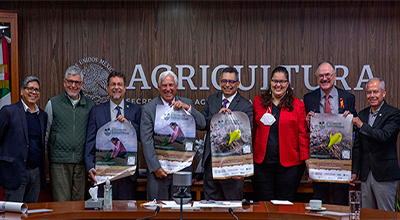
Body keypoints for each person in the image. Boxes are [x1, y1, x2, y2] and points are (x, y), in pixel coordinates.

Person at [140, 70, 205, 200]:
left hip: (182, 170)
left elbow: (202, 124)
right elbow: (146, 141)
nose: (168, 89)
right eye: (164, 85)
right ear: (158, 87)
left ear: (176, 86)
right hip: (158, 172)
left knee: (180, 211)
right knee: (158, 211)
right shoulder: (149, 108)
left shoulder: (186, 103)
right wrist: (155, 168)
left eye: (171, 85)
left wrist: (188, 109)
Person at [303, 61, 356, 205]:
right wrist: (307, 122)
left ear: (335, 76)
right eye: (321, 76)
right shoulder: (308, 98)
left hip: (340, 160)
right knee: (319, 200)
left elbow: (354, 131)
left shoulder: (348, 98)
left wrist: (350, 120)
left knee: (341, 201)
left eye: (327, 75)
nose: (324, 78)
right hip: (319, 159)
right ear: (316, 78)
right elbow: (304, 131)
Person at [252, 66, 309, 202]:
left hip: (290, 166)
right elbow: (251, 131)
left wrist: (308, 164)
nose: (278, 85)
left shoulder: (298, 105)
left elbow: (303, 136)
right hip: (261, 165)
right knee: (264, 206)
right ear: (270, 82)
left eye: (282, 81)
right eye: (275, 81)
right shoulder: (258, 102)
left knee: (285, 205)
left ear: (287, 84)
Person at [85, 71, 141, 200]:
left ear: (125, 87)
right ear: (108, 87)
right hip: (103, 173)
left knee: (126, 213)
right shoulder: (96, 111)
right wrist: (90, 166)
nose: (116, 87)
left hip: (127, 175)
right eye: (113, 84)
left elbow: (143, 137)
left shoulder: (135, 110)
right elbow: (90, 141)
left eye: (120, 84)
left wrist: (129, 125)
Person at [200, 67, 253, 201]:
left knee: (232, 207)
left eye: (231, 81)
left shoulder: (246, 106)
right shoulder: (211, 100)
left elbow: (246, 136)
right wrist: (217, 117)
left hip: (233, 166)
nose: (227, 85)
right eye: (224, 81)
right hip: (211, 165)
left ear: (238, 84)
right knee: (211, 209)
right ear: (219, 82)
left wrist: (242, 169)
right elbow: (201, 124)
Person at [349, 78, 400, 211]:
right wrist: (355, 172)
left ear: (383, 93)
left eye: (375, 92)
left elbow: (384, 136)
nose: (372, 96)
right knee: (367, 214)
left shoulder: (393, 113)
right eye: (369, 92)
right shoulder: (363, 114)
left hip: (384, 174)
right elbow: (358, 146)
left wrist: (362, 126)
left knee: (385, 214)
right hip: (366, 175)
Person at [45, 66, 94, 202]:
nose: (73, 85)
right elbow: (46, 133)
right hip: (59, 163)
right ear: (64, 82)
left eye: (77, 82)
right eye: (70, 81)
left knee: (79, 203)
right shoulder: (53, 103)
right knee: (61, 204)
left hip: (81, 163)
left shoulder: (90, 106)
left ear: (82, 84)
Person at [0, 76, 47, 203]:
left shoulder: (42, 115)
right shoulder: (9, 112)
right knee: (14, 214)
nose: (34, 92)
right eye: (30, 88)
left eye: (37, 90)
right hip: (14, 173)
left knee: (31, 214)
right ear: (22, 91)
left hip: (35, 174)